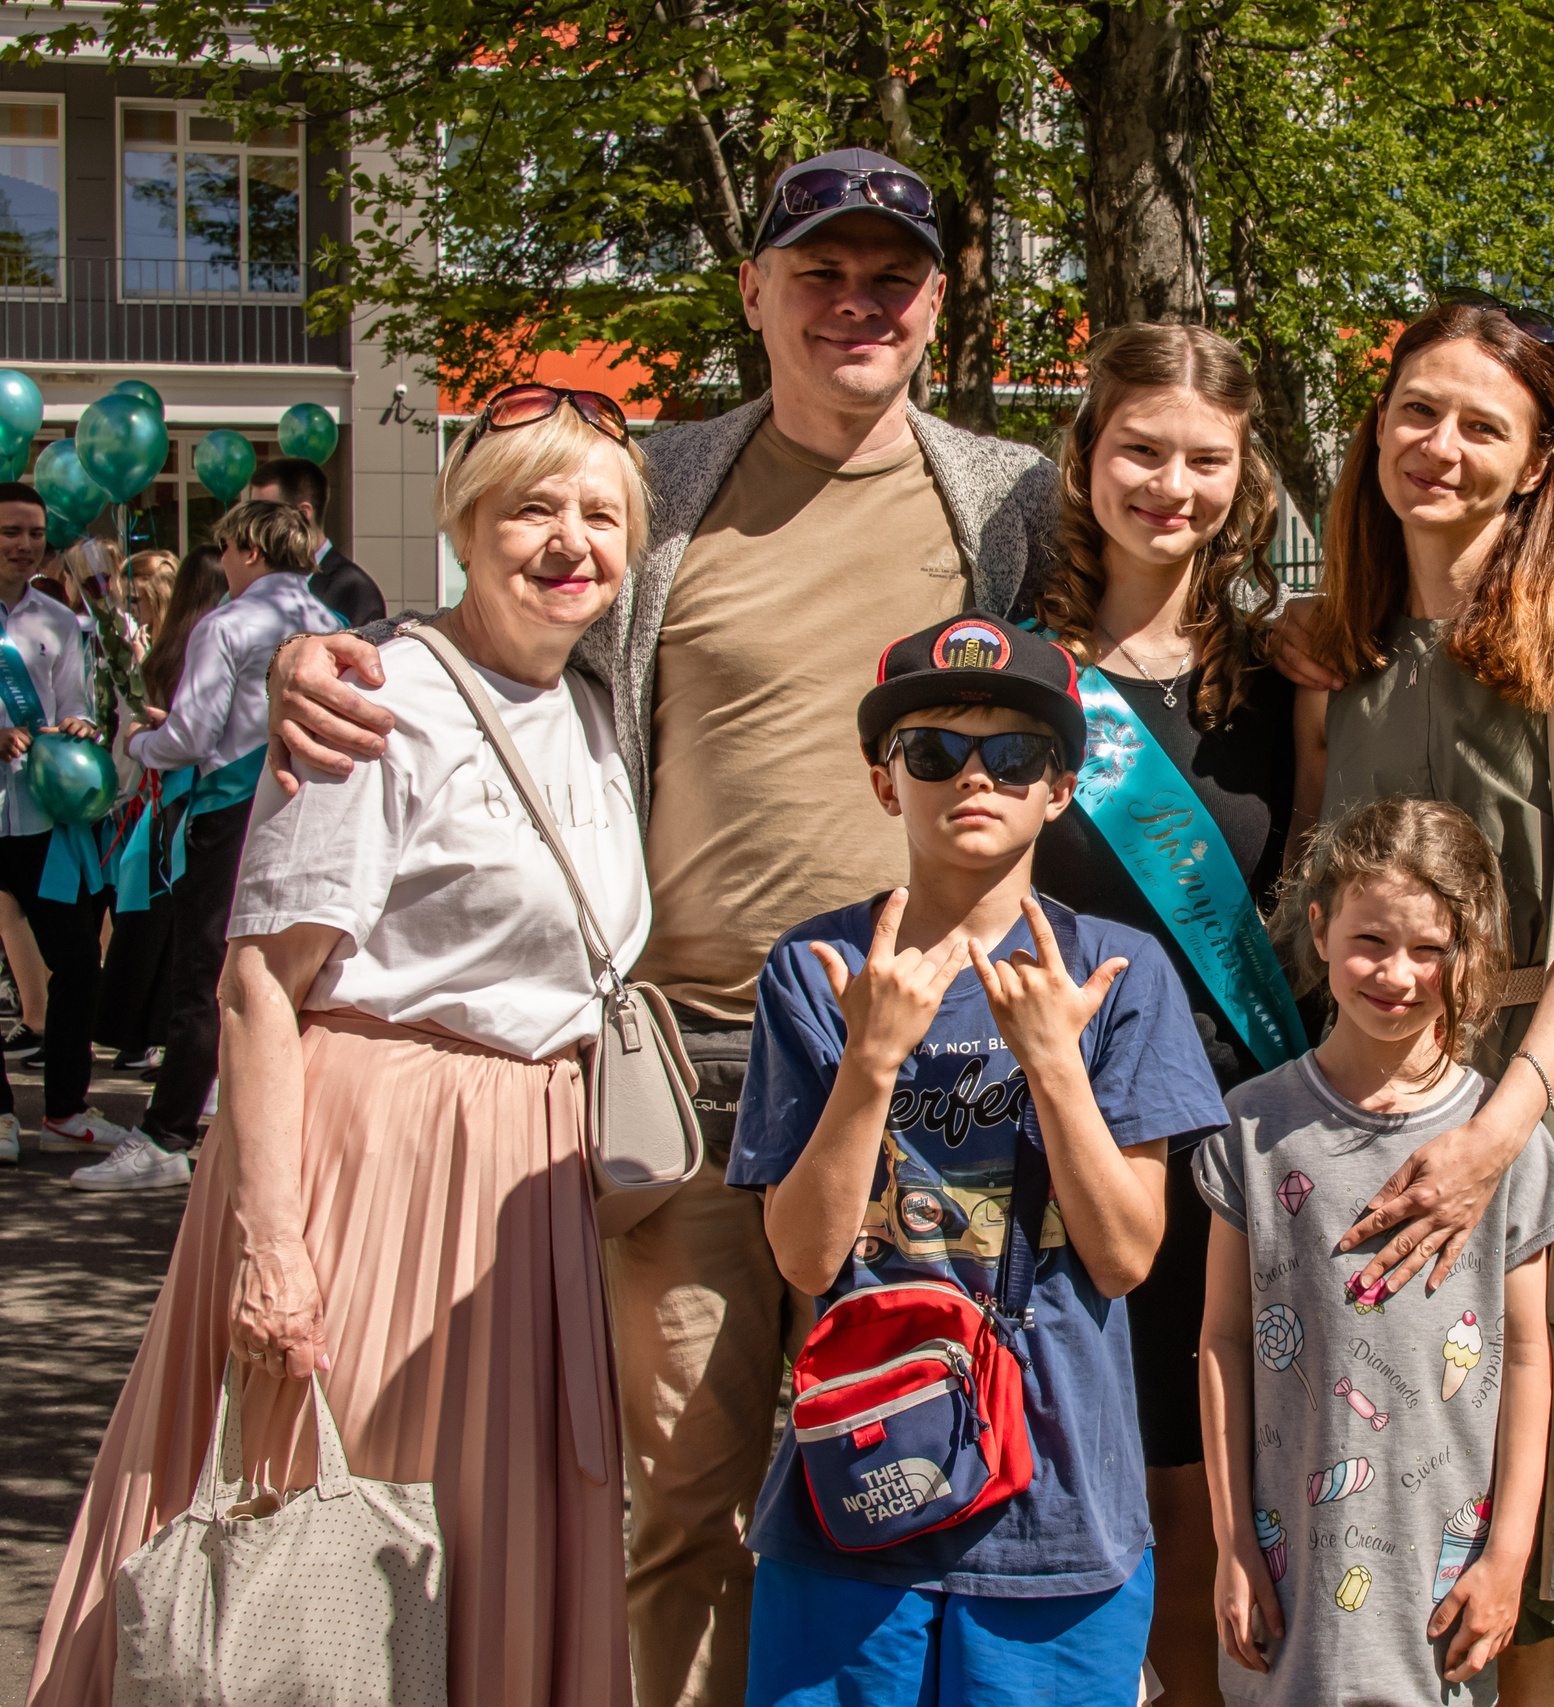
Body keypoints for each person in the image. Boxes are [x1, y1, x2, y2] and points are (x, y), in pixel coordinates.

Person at [267, 147, 1060, 1705]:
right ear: (754, 292)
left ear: (937, 303)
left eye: (890, 277)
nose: (855, 304)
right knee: (681, 1501)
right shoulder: (669, 483)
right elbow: (517, 616)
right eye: (818, 273)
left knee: (926, 1472)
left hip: (923, 1079)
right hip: (687, 1079)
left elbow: (1148, 636)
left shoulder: (1006, 496)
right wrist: (347, 650)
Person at [29, 385, 652, 1705]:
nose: (567, 540)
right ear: (466, 520)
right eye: (531, 505)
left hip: (536, 1184)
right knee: (337, 1545)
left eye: (600, 513)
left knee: (478, 1545)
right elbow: (260, 983)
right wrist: (271, 1242)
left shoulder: (602, 709)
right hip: (378, 1165)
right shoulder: (380, 689)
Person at [729, 610, 1229, 1707]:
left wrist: (1054, 1062)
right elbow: (806, 1258)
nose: (974, 779)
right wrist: (870, 1063)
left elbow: (1124, 1256)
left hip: (1057, 1503)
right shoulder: (817, 970)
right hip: (853, 1488)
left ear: (1059, 787)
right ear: (883, 779)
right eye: (933, 751)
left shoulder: (1118, 973)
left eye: (1013, 756)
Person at [1285, 297, 1554, 1684]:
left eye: (1481, 424)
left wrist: (1499, 1129)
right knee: (1385, 1479)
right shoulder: (1335, 649)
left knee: (1534, 1531)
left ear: (1538, 457)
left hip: (1537, 1086)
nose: (1439, 445)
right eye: (1416, 410)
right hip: (1373, 1086)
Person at [1024, 318, 1302, 1704]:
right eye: (1140, 449)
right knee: (1066, 1479)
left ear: (1244, 478)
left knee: (1198, 1494)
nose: (1170, 485)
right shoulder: (1016, 674)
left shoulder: (1284, 678)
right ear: (1085, 459)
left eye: (1206, 458)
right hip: (1054, 1132)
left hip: (1225, 1135)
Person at [1197, 794, 1554, 1704]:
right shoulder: (1252, 1129)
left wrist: (1509, 1554)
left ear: (1467, 955)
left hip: (1439, 1591)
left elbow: (1525, 1352)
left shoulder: (1506, 1145)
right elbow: (1223, 1341)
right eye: (1370, 940)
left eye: (1429, 949)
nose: (1397, 974)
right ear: (1318, 929)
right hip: (1286, 1589)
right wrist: (1233, 1543)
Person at [75, 503, 345, 1191]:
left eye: (225, 547)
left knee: (208, 979)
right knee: (296, 976)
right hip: (315, 811)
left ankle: (166, 1134)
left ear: (249, 548)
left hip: (231, 814)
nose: (221, 560)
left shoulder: (228, 622)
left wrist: (138, 740)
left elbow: (192, 739)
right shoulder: (331, 621)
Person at [0, 481, 125, 1167]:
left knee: (77, 964)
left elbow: (77, 705)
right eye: (8, 532)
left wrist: (81, 727)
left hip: (47, 822)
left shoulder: (57, 619)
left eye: (32, 533)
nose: (23, 545)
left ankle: (65, 1108)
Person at [97, 546, 226, 1076]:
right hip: (190, 803)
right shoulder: (202, 645)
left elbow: (184, 737)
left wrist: (142, 748)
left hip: (169, 804)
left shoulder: (184, 647)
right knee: (195, 944)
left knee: (172, 936)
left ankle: (169, 1047)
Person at [249, 455, 388, 629]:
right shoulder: (259, 583)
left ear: (302, 513)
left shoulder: (354, 590)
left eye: (264, 515)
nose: (253, 527)